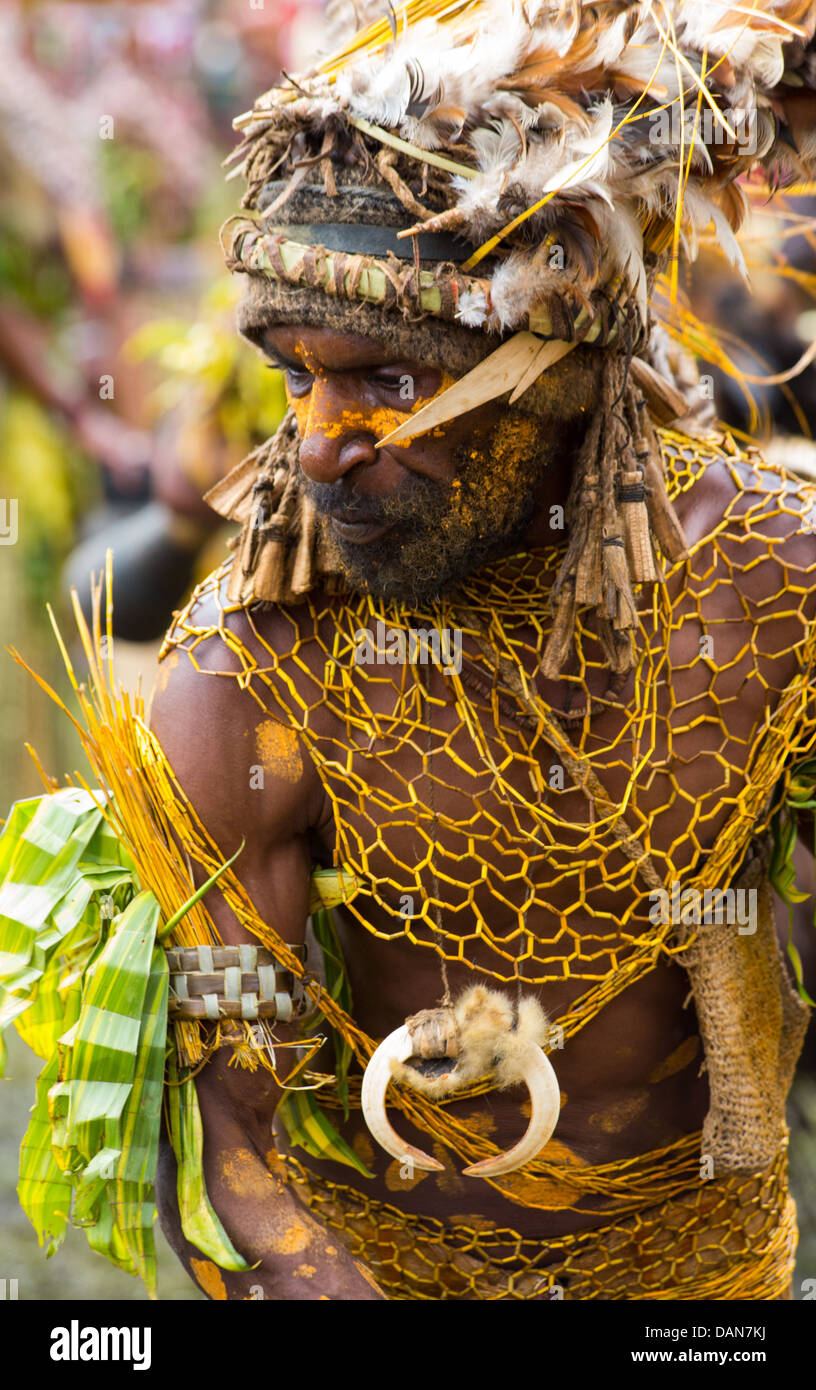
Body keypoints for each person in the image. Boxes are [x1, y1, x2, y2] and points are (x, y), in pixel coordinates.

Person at [4, 0, 816, 1302]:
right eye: (294, 376)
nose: (322, 441)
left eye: (388, 380)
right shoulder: (250, 678)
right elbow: (237, 1147)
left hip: (707, 1282)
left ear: (558, 369)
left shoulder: (781, 588)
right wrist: (319, 1274)